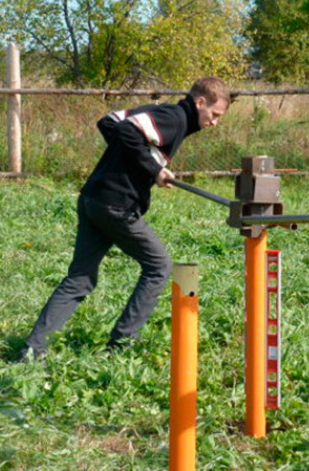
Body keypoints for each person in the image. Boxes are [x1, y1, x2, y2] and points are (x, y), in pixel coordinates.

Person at [18, 77, 230, 361]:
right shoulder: (175, 117)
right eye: (214, 115)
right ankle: (122, 342)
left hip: (94, 198)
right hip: (117, 206)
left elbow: (109, 121)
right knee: (159, 266)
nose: (214, 123)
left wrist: (135, 162)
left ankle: (33, 349)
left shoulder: (165, 114)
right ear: (200, 102)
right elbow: (127, 130)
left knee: (80, 279)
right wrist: (153, 168)